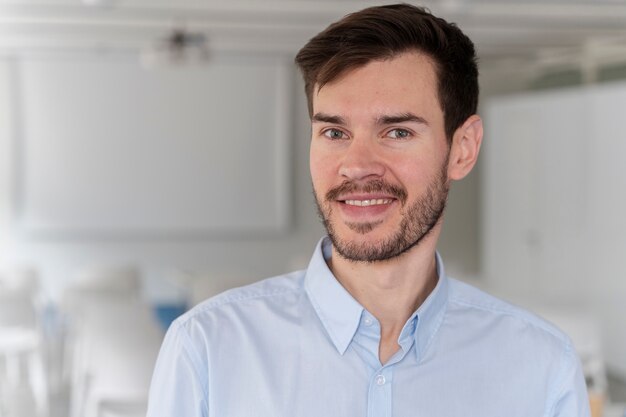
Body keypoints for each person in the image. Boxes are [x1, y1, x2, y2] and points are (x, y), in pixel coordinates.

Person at [146, 4, 590, 416]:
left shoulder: (540, 365)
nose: (356, 166)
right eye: (334, 133)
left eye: (397, 132)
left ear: (462, 149)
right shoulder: (206, 348)